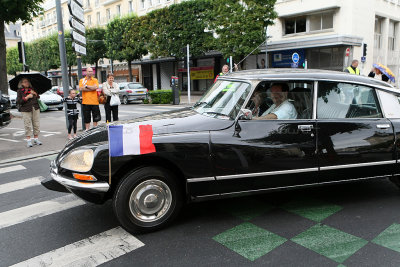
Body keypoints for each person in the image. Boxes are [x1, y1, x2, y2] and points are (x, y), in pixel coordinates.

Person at [16, 77, 42, 147]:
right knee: (27, 124)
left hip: (35, 108)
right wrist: (27, 97)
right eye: (25, 82)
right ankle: (28, 141)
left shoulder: (32, 89)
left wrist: (35, 94)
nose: (26, 83)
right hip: (25, 109)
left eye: (27, 81)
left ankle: (36, 139)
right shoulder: (20, 91)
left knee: (36, 123)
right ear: (21, 83)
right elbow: (19, 101)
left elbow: (38, 97)